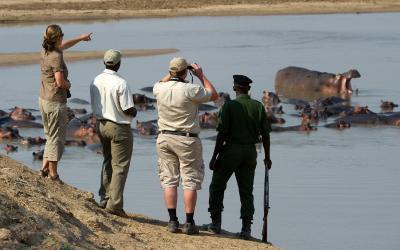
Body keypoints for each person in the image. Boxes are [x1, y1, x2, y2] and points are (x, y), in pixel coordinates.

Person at [153, 57, 218, 234]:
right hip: (187, 139)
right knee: (189, 180)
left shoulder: (159, 88)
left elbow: (161, 81)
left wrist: (174, 71)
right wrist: (201, 75)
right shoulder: (191, 89)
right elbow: (214, 95)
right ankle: (189, 222)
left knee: (169, 179)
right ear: (185, 72)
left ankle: (172, 221)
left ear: (170, 72)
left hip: (164, 138)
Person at [207, 75, 272, 240]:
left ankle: (215, 224)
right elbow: (265, 135)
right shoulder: (258, 106)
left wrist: (214, 156)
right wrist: (267, 157)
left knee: (217, 186)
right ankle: (246, 229)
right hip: (251, 152)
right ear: (248, 89)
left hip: (231, 150)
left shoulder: (229, 106)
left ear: (235, 88)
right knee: (246, 191)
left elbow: (221, 133)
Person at [39, 24, 92, 182]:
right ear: (58, 37)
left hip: (43, 98)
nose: (63, 38)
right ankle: (53, 174)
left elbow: (63, 45)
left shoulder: (46, 50)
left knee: (50, 136)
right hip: (55, 101)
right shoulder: (56, 56)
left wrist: (81, 38)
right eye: (62, 35)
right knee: (57, 139)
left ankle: (44, 168)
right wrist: (69, 84)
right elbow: (60, 81)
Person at [90, 49, 137, 217]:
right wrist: (135, 110)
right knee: (120, 166)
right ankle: (115, 205)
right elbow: (127, 108)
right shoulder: (121, 83)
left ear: (104, 62)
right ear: (118, 64)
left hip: (101, 125)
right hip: (119, 127)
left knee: (108, 160)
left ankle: (105, 198)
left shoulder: (96, 79)